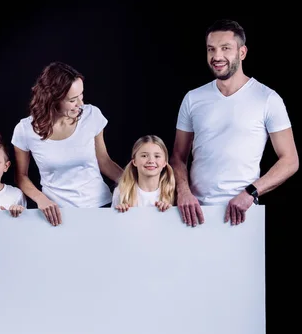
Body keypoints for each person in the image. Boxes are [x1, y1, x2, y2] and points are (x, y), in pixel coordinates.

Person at [170, 18, 299, 227]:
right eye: (211, 49)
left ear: (242, 52)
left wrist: (251, 193)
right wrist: (183, 191)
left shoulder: (267, 98)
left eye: (225, 48)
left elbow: (290, 160)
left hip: (243, 213)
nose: (217, 56)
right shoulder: (193, 98)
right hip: (193, 212)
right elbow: (178, 156)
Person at [11, 61, 123, 226]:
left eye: (81, 95)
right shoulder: (25, 130)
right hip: (56, 215)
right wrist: (41, 200)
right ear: (52, 99)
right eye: (72, 100)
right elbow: (21, 176)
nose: (80, 104)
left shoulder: (92, 115)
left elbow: (104, 161)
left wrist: (134, 184)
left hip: (100, 206)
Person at [112, 135, 176, 212]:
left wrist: (169, 212)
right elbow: (114, 222)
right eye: (144, 156)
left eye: (157, 156)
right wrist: (120, 212)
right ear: (134, 161)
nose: (151, 160)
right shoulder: (121, 192)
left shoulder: (172, 192)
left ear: (165, 162)